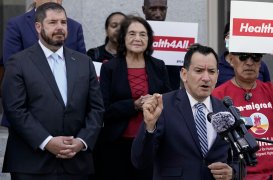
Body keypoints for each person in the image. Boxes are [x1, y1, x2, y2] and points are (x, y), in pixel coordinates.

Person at [1, 3, 104, 180]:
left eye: (63, 22)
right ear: (38, 26)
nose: (59, 28)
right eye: (52, 22)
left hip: (76, 163)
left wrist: (81, 142)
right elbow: (14, 109)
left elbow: (96, 108)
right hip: (31, 164)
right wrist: (47, 142)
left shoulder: (83, 62)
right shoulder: (18, 62)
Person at [132, 43, 236, 180]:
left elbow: (240, 158)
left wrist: (233, 172)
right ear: (184, 74)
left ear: (217, 75)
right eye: (199, 71)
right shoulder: (163, 106)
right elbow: (139, 161)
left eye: (211, 71)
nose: (206, 78)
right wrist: (149, 126)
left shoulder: (225, 110)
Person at [212, 47, 273, 180]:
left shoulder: (271, 90)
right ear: (231, 60)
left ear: (261, 63)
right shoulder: (218, 94)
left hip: (270, 175)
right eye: (243, 56)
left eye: (255, 57)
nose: (249, 62)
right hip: (237, 175)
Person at [98, 15, 171, 180]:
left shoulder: (158, 66)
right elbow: (104, 108)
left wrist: (157, 101)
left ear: (149, 39)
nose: (137, 38)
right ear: (123, 38)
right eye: (132, 34)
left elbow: (169, 101)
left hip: (151, 141)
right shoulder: (110, 67)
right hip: (117, 143)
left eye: (143, 34)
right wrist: (134, 105)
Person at [1, 0, 86, 127]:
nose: (56, 0)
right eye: (52, 22)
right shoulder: (17, 24)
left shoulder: (75, 26)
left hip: (67, 119)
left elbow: (82, 71)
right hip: (27, 114)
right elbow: (11, 66)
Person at [142, 0, 181, 90]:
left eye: (162, 9)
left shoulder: (177, 33)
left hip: (170, 93)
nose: (158, 14)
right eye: (153, 9)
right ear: (144, 10)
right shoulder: (136, 35)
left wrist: (190, 54)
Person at [216, 23, 270, 87]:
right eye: (230, 36)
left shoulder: (259, 64)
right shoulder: (216, 66)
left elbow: (267, 89)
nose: (249, 63)